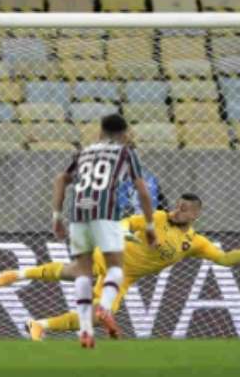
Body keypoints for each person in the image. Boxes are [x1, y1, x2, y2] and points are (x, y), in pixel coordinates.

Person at [0, 193, 240, 340]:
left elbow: (225, 260)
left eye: (183, 208)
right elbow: (128, 222)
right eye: (176, 205)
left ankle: (38, 322)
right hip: (112, 256)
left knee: (91, 304)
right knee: (76, 276)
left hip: (125, 276)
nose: (176, 209)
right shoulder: (156, 216)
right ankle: (17, 278)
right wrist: (123, 230)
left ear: (195, 214)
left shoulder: (195, 243)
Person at [49, 113, 155, 348]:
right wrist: (149, 225)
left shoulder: (84, 152)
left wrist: (57, 217)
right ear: (124, 133)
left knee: (83, 272)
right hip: (105, 213)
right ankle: (105, 308)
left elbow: (60, 179)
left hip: (78, 213)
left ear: (100, 131)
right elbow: (142, 189)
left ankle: (85, 331)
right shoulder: (126, 152)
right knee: (116, 268)